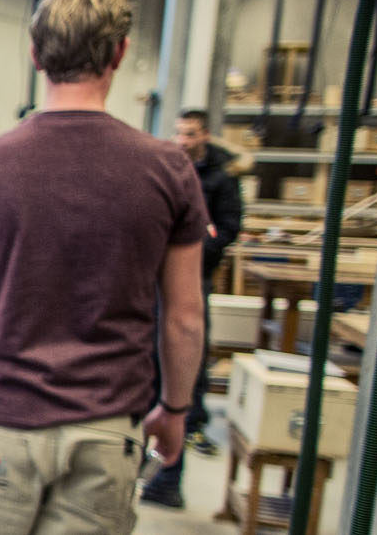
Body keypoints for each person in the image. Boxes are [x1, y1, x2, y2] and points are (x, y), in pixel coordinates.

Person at [0, 0, 206, 535]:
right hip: (107, 431)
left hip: (4, 424)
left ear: (35, 55)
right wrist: (175, 410)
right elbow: (184, 318)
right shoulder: (167, 168)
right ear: (119, 53)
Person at [141, 108, 244, 508]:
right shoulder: (169, 171)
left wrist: (197, 248)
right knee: (155, 366)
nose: (183, 141)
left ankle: (169, 479)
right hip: (159, 280)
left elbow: (230, 227)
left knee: (184, 369)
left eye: (191, 134)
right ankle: (156, 473)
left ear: (206, 135)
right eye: (179, 133)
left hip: (195, 279)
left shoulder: (222, 178)